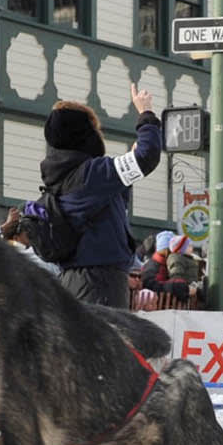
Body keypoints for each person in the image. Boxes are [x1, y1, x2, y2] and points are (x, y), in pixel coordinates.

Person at [39, 87, 161, 308]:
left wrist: (129, 168)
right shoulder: (93, 173)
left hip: (73, 281)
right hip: (100, 284)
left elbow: (111, 202)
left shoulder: (62, 176)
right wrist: (146, 114)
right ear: (85, 134)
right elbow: (147, 156)